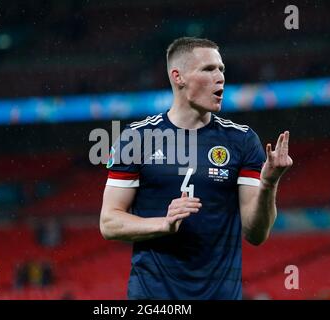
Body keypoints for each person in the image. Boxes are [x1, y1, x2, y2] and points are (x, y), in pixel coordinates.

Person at [99, 37, 293, 299]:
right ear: (178, 77)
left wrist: (269, 184)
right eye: (208, 69)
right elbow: (109, 222)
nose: (220, 77)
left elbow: (256, 234)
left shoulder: (243, 141)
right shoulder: (136, 138)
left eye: (221, 69)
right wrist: (163, 224)